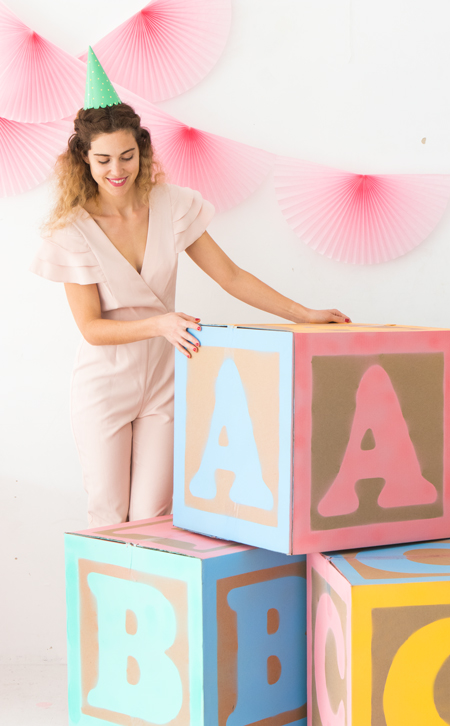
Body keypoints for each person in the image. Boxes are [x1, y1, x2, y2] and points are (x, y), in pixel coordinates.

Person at [31, 50, 350, 527]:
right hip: (105, 385)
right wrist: (161, 323)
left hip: (163, 382)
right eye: (103, 160)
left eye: (127, 156)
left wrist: (303, 314)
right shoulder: (73, 230)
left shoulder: (172, 205)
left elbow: (231, 276)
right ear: (83, 158)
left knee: (152, 515)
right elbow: (93, 329)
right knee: (109, 513)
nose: (117, 170)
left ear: (143, 149)